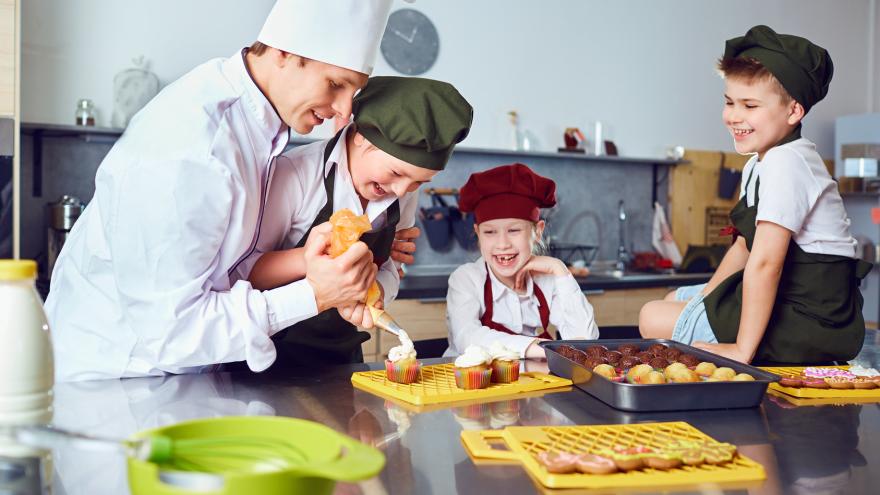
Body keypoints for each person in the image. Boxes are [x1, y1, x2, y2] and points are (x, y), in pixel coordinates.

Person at [44, 0, 396, 381]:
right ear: (282, 51)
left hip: (168, 377)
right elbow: (173, 333)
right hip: (113, 383)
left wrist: (307, 262)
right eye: (335, 84)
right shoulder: (193, 146)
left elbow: (220, 271)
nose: (345, 113)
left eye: (354, 92)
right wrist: (313, 295)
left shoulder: (256, 126)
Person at [639, 25, 871, 364]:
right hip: (786, 303)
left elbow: (766, 263)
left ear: (794, 111)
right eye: (730, 102)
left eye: (750, 105)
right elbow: (745, 248)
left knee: (651, 316)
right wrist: (706, 298)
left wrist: (741, 350)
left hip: (812, 322)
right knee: (674, 298)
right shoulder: (760, 163)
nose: (734, 116)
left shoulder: (787, 163)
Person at [240, 76, 473, 367]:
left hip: (342, 356)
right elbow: (245, 271)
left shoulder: (400, 191)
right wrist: (314, 262)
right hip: (270, 355)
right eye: (396, 173)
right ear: (361, 136)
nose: (402, 192)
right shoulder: (296, 175)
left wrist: (375, 296)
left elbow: (389, 265)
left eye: (418, 183)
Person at [445, 164, 599, 359]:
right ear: (478, 233)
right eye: (490, 232)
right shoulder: (466, 278)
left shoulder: (548, 280)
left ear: (538, 231)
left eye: (514, 230)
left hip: (533, 383)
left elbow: (585, 342)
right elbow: (467, 338)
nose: (502, 244)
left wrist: (560, 269)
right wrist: (543, 348)